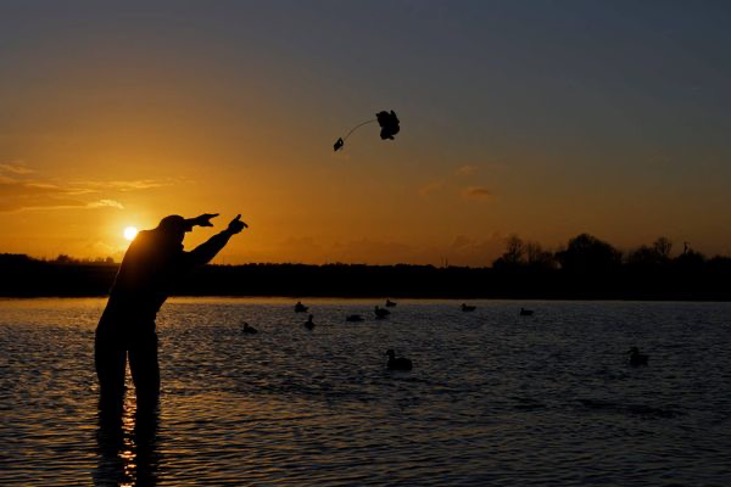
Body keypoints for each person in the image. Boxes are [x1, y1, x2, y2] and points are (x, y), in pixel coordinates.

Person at [95, 213, 246, 414]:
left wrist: (191, 223)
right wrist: (227, 232)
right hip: (129, 328)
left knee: (124, 395)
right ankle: (140, 440)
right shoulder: (170, 259)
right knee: (137, 394)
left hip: (122, 328)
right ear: (168, 237)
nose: (182, 241)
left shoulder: (143, 244)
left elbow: (165, 233)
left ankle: (119, 440)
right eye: (179, 236)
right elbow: (202, 253)